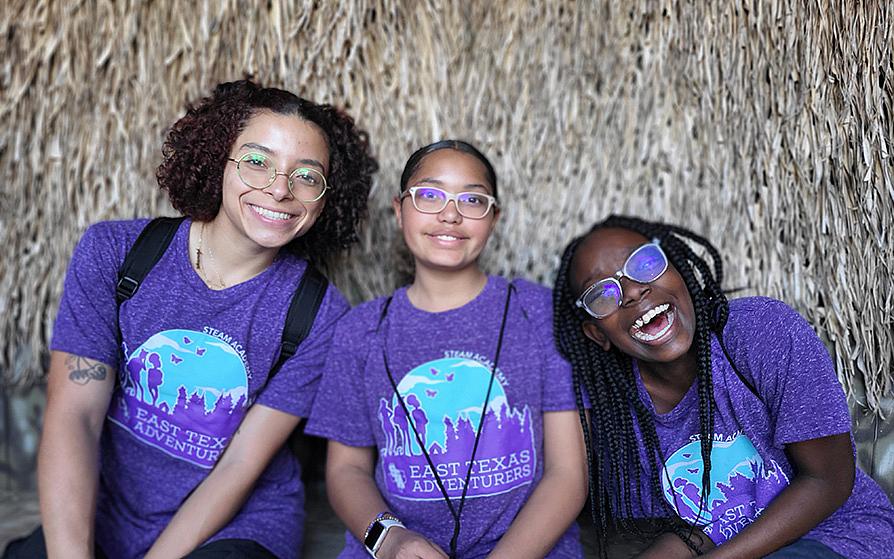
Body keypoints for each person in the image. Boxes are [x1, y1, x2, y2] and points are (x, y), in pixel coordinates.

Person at [4, 79, 377, 559]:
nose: (280, 189)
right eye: (257, 162)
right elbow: (75, 414)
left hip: (234, 528)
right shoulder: (116, 254)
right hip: (105, 513)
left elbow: (239, 465)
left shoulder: (318, 314)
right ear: (217, 159)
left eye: (307, 176)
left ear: (325, 198)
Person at [305, 140, 587, 558]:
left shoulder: (538, 313)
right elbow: (347, 470)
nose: (450, 213)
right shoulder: (362, 330)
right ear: (399, 211)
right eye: (429, 195)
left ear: (494, 219)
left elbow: (568, 474)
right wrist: (391, 539)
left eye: (472, 199)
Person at [552, 215, 894, 558]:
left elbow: (827, 481)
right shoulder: (620, 414)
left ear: (678, 267)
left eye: (644, 263)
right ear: (597, 333)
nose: (632, 291)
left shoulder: (763, 332)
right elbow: (697, 528)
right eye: (602, 294)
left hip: (841, 535)